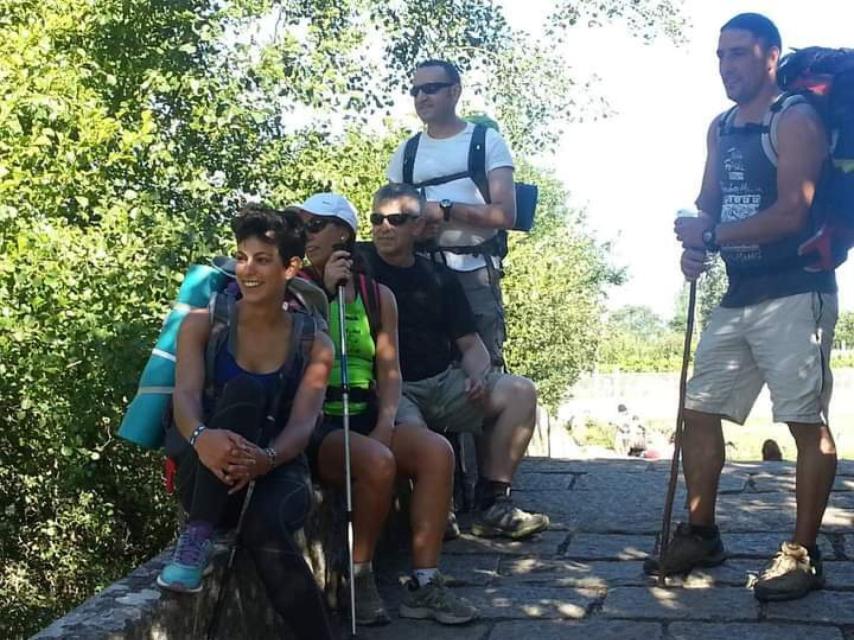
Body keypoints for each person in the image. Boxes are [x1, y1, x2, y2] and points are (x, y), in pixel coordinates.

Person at [651, 13, 838, 603]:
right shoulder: (723, 127)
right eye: (720, 55)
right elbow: (710, 205)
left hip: (795, 290)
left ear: (771, 57)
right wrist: (696, 239)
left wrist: (712, 238)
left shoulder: (796, 118)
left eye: (739, 54)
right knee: (699, 411)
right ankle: (702, 532)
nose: (727, 66)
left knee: (804, 423)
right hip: (740, 292)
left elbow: (793, 212)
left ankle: (801, 554)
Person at [288, 193, 478, 626]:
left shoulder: (378, 297)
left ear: (342, 234)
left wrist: (387, 420)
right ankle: (359, 577)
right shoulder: (296, 289)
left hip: (365, 411)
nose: (304, 235)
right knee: (377, 462)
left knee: (436, 453)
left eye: (314, 225)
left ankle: (425, 583)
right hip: (316, 422)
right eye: (300, 227)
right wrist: (326, 295)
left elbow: (389, 370)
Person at [156, 206, 337, 639]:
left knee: (263, 526)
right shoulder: (203, 324)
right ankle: (198, 533)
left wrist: (265, 459)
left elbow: (301, 425)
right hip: (203, 470)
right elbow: (184, 396)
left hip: (276, 469)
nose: (247, 269)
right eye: (241, 257)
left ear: (291, 268)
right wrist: (203, 439)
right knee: (243, 394)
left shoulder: (314, 342)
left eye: (261, 259)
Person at [361, 183, 549, 540]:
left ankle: (493, 502)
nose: (384, 227)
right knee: (420, 439)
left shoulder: (439, 277)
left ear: (419, 226)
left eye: (397, 220)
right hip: (392, 388)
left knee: (521, 391)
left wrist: (478, 375)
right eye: (376, 219)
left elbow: (471, 344)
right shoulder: (357, 263)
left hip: (442, 382)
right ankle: (435, 509)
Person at [386, 59, 516, 367]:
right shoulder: (405, 153)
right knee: (425, 365)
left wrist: (444, 210)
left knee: (485, 368)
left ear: (455, 92)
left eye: (431, 88)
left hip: (475, 273)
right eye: (415, 90)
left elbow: (506, 215)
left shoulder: (487, 142)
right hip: (422, 276)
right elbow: (391, 217)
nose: (421, 97)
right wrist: (411, 229)